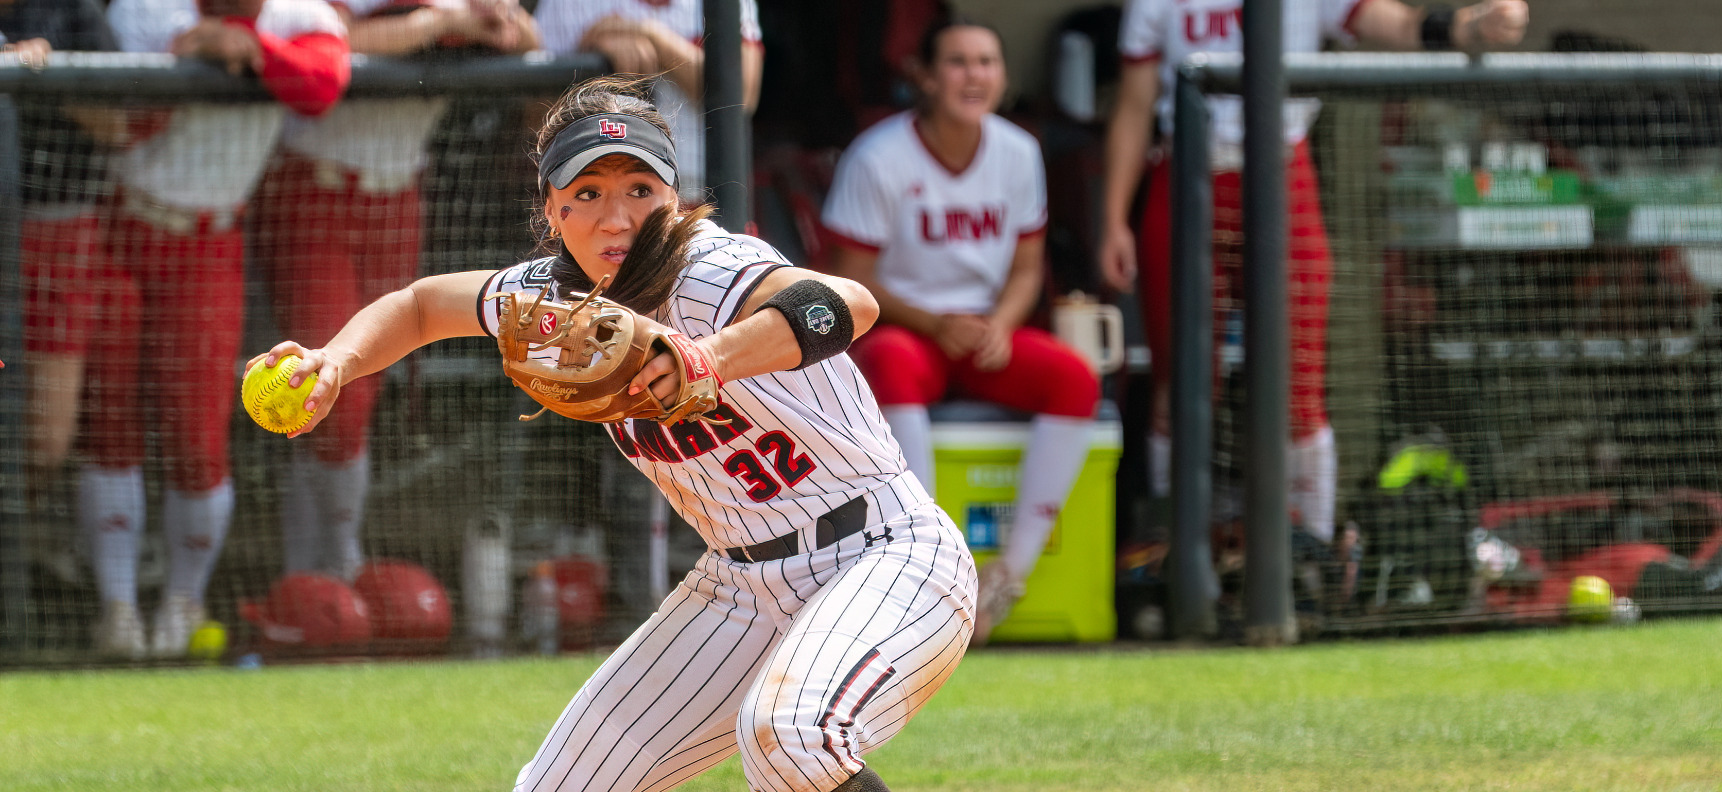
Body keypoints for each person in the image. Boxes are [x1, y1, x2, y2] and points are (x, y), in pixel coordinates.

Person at [254, 77, 1018, 792]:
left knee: (788, 734)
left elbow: (849, 302)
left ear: (672, 195)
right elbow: (422, 304)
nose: (615, 216)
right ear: (551, 206)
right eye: (587, 194)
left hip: (885, 551)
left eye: (637, 190)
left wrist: (709, 357)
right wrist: (334, 361)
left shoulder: (712, 267)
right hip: (740, 582)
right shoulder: (545, 300)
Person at [1098, 0, 1528, 549]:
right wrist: (1114, 218)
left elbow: (1393, 23)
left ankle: (1311, 556)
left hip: (1280, 172)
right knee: (1181, 382)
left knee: (1297, 382)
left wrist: (1471, 26)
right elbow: (1135, 105)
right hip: (1187, 175)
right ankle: (1178, 551)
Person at [83, 0, 348, 658]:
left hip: (210, 240)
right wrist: (189, 53)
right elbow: (124, 125)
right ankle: (117, 609)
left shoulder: (299, 15)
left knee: (198, 434)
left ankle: (182, 600)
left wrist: (253, 50)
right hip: (122, 226)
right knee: (110, 420)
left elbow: (320, 87)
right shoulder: (148, 8)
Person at [823, 16, 1100, 644]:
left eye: (986, 62)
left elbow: (1029, 267)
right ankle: (928, 568)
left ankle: (1009, 575)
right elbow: (849, 278)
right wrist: (933, 322)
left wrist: (1001, 324)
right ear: (924, 75)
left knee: (1075, 379)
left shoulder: (1019, 151)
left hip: (980, 331)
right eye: (957, 62)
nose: (973, 76)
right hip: (907, 328)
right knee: (889, 360)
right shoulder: (879, 156)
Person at [251, 0, 538, 581]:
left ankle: (324, 570)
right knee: (330, 388)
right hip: (317, 185)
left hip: (398, 194)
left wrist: (482, 18)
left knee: (364, 389)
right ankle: (317, 570)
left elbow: (525, 34)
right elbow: (340, 38)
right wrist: (436, 24)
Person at [2, 0, 118, 584]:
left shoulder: (73, 13)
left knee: (45, 438)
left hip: (58, 227)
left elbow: (120, 125)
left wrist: (41, 78)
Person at [534, 0, 763, 199]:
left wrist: (650, 35)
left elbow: (744, 97)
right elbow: (534, 116)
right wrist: (590, 54)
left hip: (702, 199)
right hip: (598, 199)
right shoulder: (565, 3)